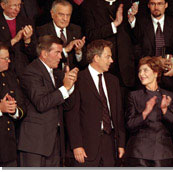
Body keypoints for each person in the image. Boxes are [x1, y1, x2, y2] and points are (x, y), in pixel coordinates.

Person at [17, 35, 79, 167]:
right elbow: (42, 103)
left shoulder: (56, 74)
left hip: (54, 142)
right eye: (57, 52)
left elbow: (67, 105)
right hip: (35, 143)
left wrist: (70, 86)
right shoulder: (31, 72)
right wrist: (65, 88)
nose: (60, 57)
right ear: (44, 53)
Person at [65, 39, 125, 167]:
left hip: (110, 146)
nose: (111, 60)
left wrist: (121, 143)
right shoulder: (79, 79)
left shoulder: (113, 81)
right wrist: (76, 145)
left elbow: (118, 114)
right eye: (108, 56)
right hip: (86, 147)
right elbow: (72, 115)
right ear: (96, 58)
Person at [124, 56, 173, 167]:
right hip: (139, 152)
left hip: (163, 152)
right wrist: (145, 112)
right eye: (140, 71)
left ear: (155, 73)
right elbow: (129, 125)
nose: (141, 74)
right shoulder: (134, 96)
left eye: (145, 70)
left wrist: (164, 110)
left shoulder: (169, 95)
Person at [128, 0, 173, 92]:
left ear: (166, 5)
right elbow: (136, 51)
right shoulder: (141, 24)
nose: (156, 7)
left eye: (160, 4)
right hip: (146, 77)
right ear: (148, 5)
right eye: (153, 4)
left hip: (169, 77)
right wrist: (156, 62)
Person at [81, 0, 136, 92]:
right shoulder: (88, 5)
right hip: (103, 68)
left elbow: (137, 37)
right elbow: (90, 35)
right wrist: (114, 25)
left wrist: (132, 21)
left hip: (126, 70)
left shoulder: (127, 3)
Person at [36, 0, 86, 71]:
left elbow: (83, 63)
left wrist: (78, 51)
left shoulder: (76, 30)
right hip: (53, 75)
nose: (65, 19)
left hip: (74, 75)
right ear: (52, 14)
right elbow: (44, 58)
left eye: (68, 15)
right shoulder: (43, 31)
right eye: (61, 15)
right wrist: (65, 50)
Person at [0, 42, 26, 167]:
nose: (9, 61)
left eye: (8, 57)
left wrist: (13, 110)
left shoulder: (10, 77)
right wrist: (0, 109)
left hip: (8, 148)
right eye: (5, 58)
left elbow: (22, 104)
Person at [0, 0, 37, 78]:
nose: (18, 9)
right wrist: (15, 39)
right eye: (14, 6)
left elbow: (34, 53)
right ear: (3, 5)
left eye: (19, 5)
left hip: (23, 69)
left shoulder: (27, 21)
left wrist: (27, 41)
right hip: (4, 71)